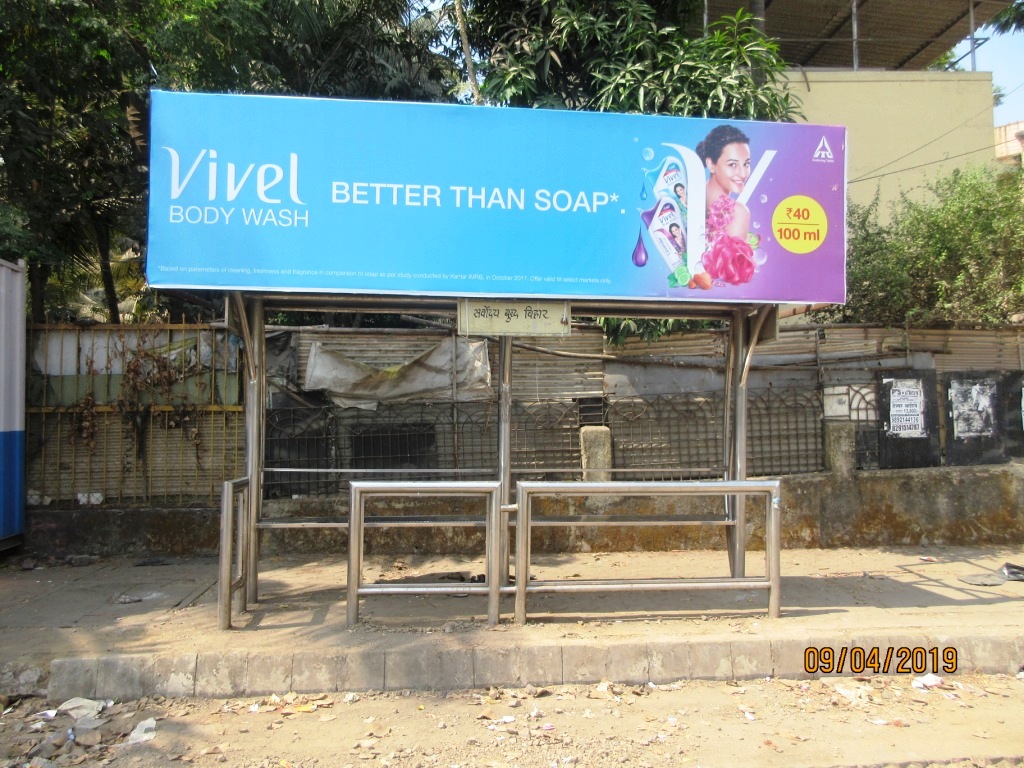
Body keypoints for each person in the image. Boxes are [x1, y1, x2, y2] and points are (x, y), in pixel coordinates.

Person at [694, 124, 756, 286]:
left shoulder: (689, 195)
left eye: (746, 164)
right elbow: (730, 274)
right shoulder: (738, 213)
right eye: (732, 164)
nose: (743, 173)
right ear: (711, 164)